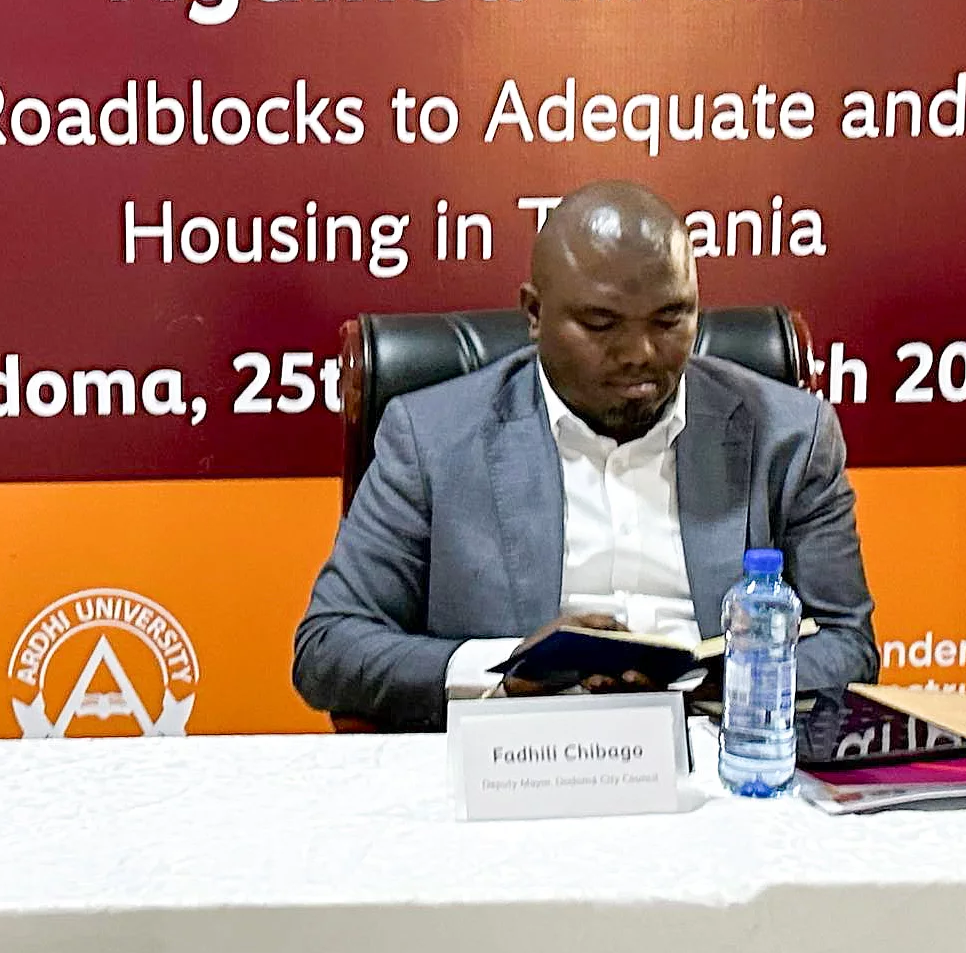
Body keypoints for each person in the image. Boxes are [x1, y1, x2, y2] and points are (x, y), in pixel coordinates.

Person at [294, 180, 877, 730]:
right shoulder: (431, 439)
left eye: (671, 319)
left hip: (716, 758)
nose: (640, 354)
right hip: (513, 763)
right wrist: (502, 672)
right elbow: (330, 649)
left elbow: (848, 646)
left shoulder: (790, 437)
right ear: (533, 314)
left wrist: (702, 686)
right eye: (601, 324)